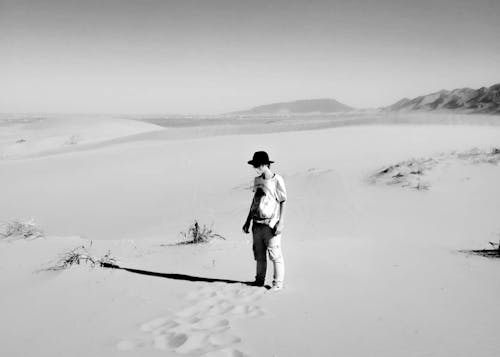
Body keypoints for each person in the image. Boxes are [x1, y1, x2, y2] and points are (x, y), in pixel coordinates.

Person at [242, 151, 287, 291]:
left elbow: (283, 201)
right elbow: (254, 201)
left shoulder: (277, 179)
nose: (256, 167)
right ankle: (259, 280)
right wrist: (247, 221)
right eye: (255, 165)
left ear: (266, 164)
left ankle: (277, 283)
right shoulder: (257, 180)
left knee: (275, 254)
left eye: (258, 165)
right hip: (257, 223)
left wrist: (281, 222)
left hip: (271, 224)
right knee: (259, 254)